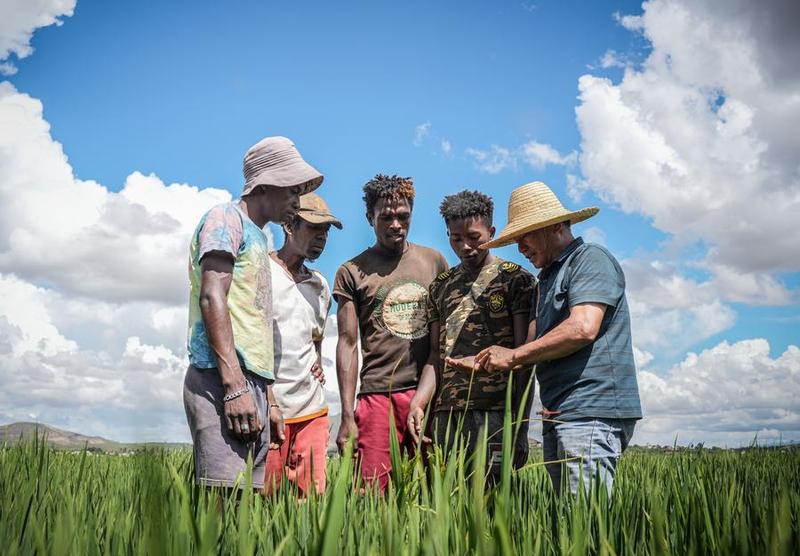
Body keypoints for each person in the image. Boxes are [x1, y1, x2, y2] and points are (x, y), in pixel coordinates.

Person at [448, 181, 642, 496]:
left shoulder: (589, 259)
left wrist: (511, 356)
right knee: (566, 517)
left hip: (590, 412)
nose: (520, 249)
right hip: (559, 413)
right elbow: (531, 348)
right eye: (516, 241)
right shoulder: (547, 279)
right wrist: (487, 359)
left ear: (554, 226)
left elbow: (583, 327)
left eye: (525, 237)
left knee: (584, 516)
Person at [183, 136, 323, 490]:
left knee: (246, 506)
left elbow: (255, 329)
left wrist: (268, 399)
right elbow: (212, 297)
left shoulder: (259, 238)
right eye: (292, 190)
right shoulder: (225, 218)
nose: (297, 201)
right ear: (266, 184)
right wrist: (234, 388)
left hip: (251, 385)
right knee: (222, 499)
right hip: (221, 379)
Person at [407, 190, 535, 481]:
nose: (465, 246)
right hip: (447, 414)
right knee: (447, 497)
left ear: (491, 232)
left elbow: (524, 360)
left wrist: (520, 426)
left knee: (493, 497)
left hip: (496, 413)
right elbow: (435, 356)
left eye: (474, 237)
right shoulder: (440, 286)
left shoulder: (515, 280)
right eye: (455, 239)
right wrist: (419, 402)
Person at [333, 174, 448, 492]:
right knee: (373, 496)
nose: (396, 224)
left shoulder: (434, 262)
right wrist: (347, 415)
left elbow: (442, 343)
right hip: (376, 396)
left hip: (427, 395)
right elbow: (347, 343)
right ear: (369, 217)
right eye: (386, 217)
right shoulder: (351, 272)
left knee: (431, 494)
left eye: (403, 216)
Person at [265, 192, 342, 496]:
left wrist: (318, 361)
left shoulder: (319, 285)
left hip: (312, 408)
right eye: (313, 228)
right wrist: (268, 400)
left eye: (326, 231)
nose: (321, 238)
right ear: (288, 225)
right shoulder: (262, 272)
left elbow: (316, 337)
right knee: (264, 499)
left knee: (309, 500)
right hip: (270, 407)